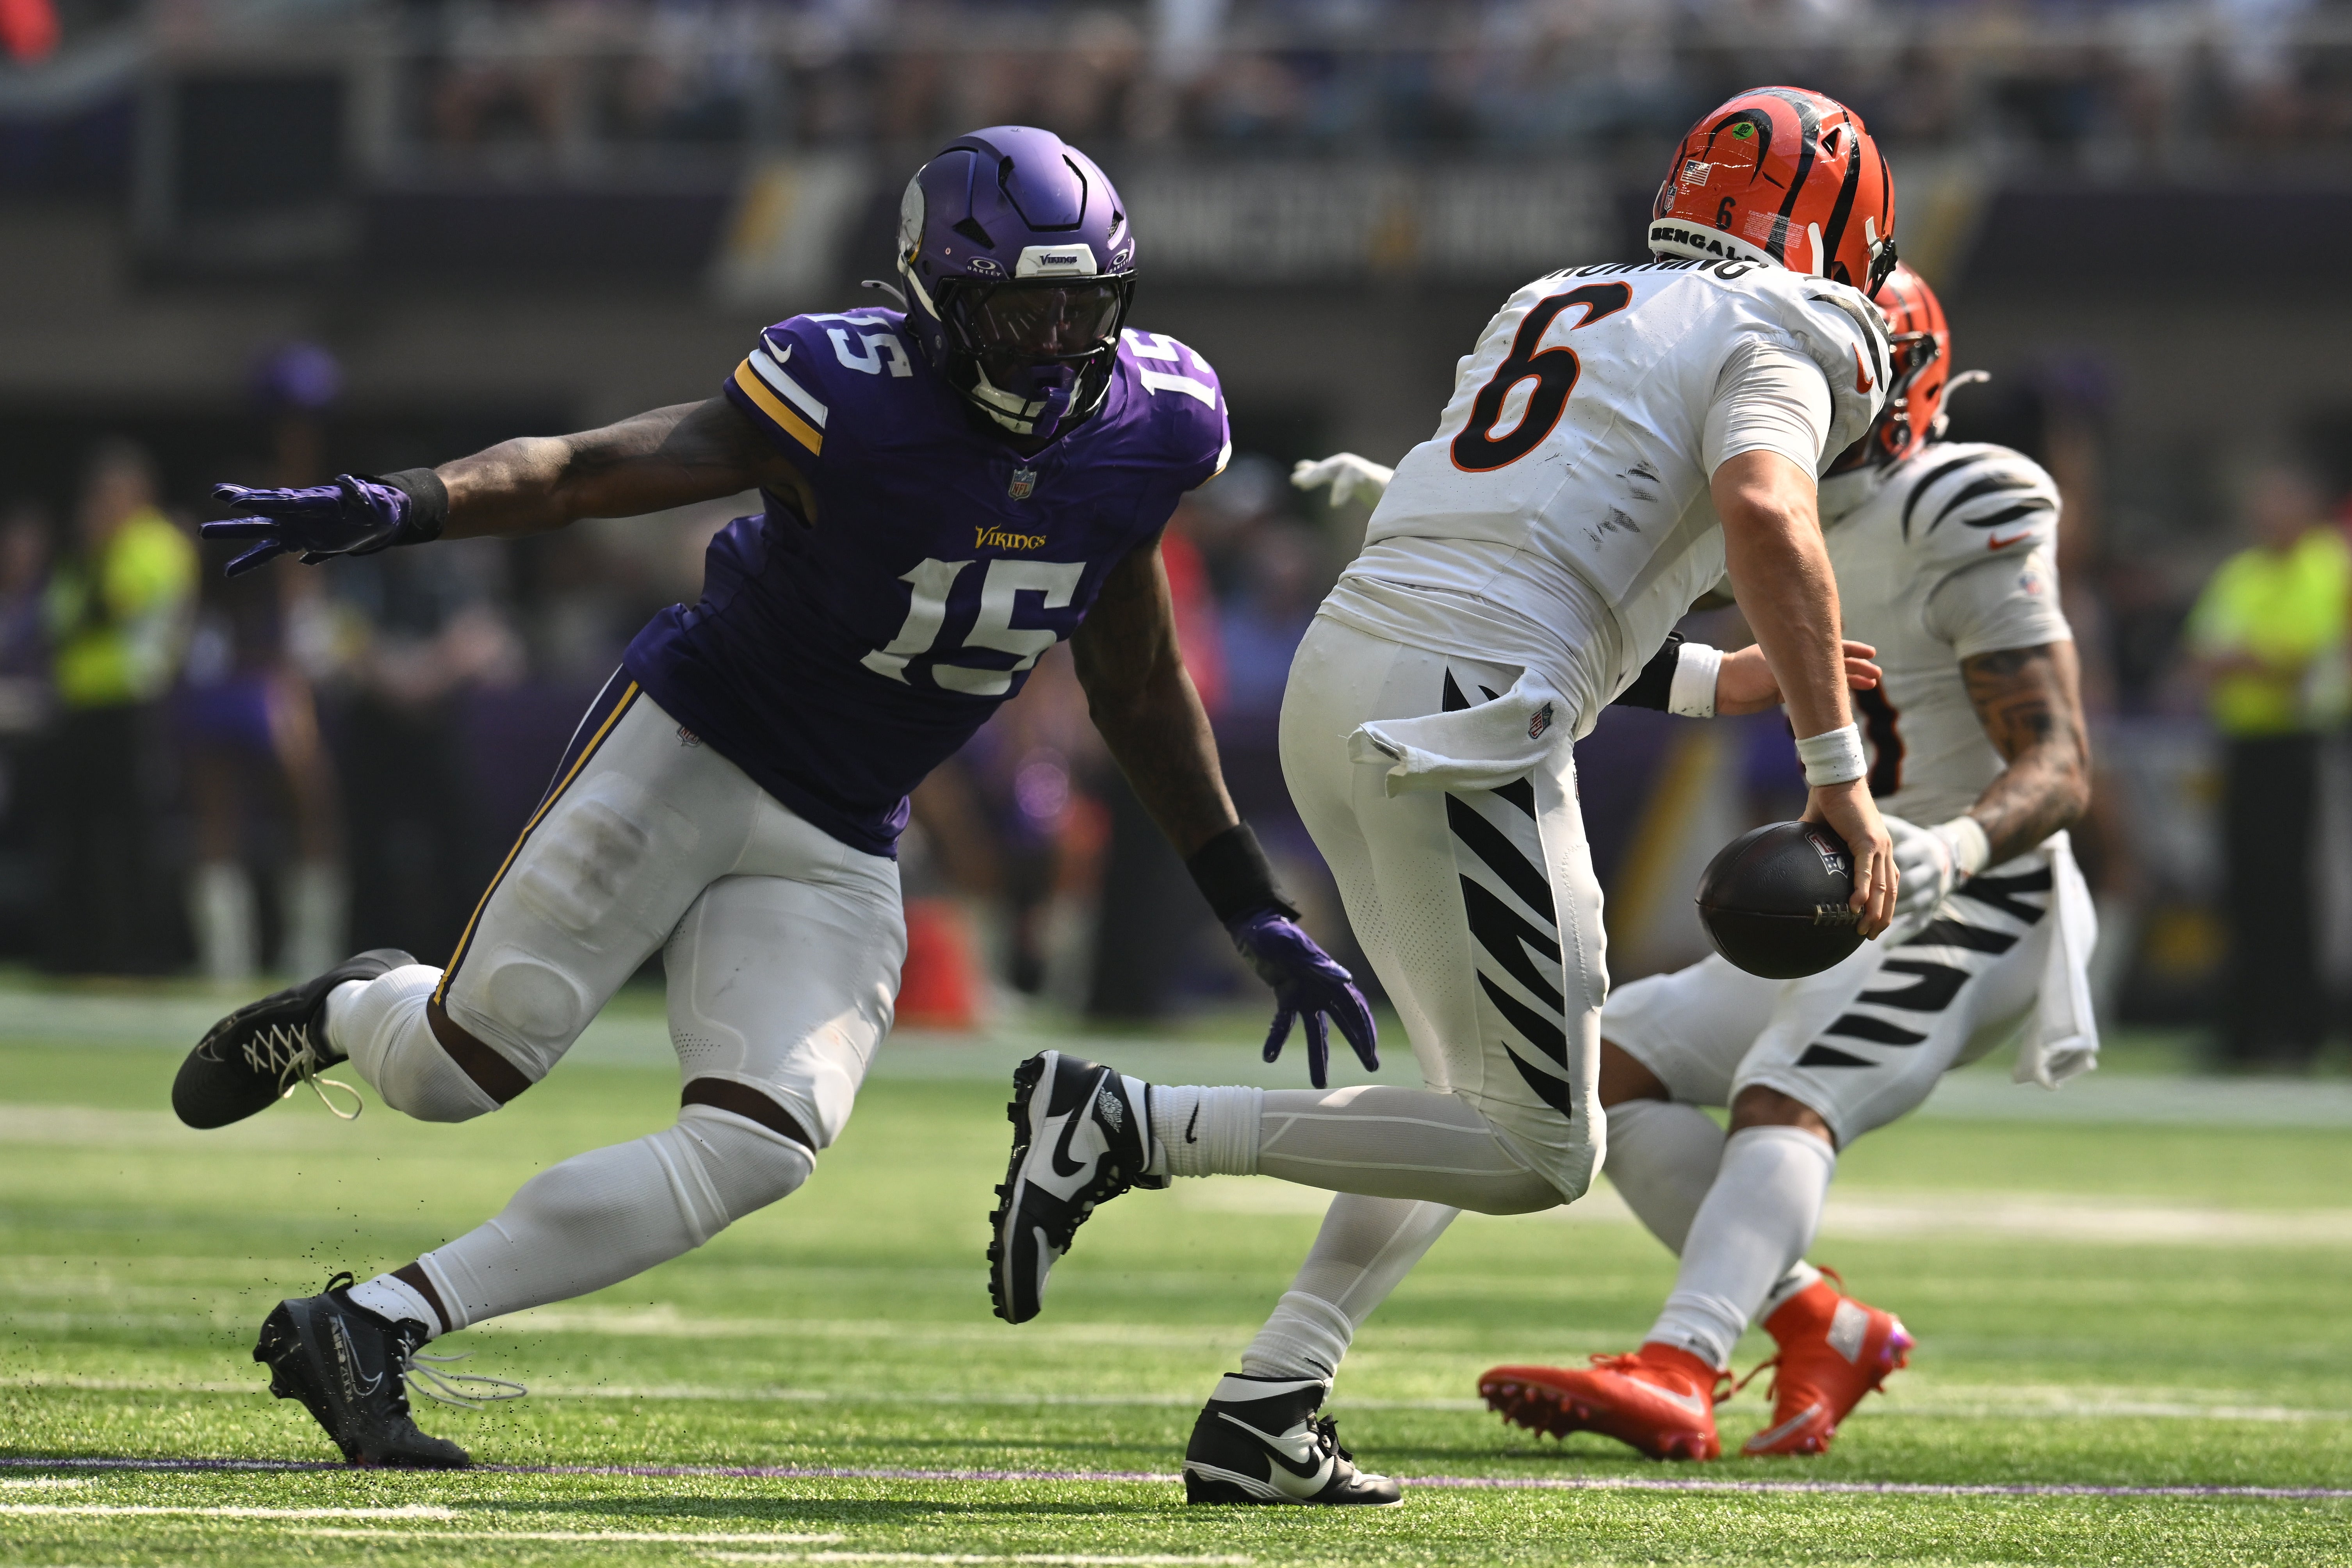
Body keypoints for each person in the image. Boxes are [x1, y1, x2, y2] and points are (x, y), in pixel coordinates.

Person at [166, 125, 1371, 1470]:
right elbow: (584, 471)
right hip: (692, 741)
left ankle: (376, 1322)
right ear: (934, 296)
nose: (1051, 339)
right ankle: (349, 1004)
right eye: (1021, 305)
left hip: (844, 819)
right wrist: (405, 504)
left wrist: (1247, 902)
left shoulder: (1156, 425)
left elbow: (1139, 684)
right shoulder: (839, 388)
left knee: (764, 1138)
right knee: (461, 1071)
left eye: (1081, 305)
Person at [985, 86, 1903, 1506]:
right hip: (1460, 713)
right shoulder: (1799, 326)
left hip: (1356, 669)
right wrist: (1834, 775)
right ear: (1837, 230)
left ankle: (1269, 1399)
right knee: (1541, 1146)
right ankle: (1128, 1121)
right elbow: (1766, 511)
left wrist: (1707, 678)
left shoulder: (1568, 292)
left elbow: (1514, 555)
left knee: (1461, 1098)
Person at [1479, 265, 2098, 1462]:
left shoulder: (1959, 501)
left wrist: (1957, 845)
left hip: (1979, 888)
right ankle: (1822, 1321)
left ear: (1894, 381)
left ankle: (1684, 1361)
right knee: (1605, 1072)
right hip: (1858, 885)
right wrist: (1448, 531)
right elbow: (1604, 583)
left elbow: (2064, 763)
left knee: (1785, 1087)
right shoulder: (1765, 501)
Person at [2183, 465, 2351, 1068]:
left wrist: (2248, 660)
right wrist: (2251, 661)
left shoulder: (2328, 567)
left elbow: (2299, 660)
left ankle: (2298, 1031)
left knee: (2296, 891)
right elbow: (2204, 653)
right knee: (2244, 887)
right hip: (2244, 744)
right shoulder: (2243, 572)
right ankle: (2245, 1032)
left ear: (2304, 510)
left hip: (2302, 746)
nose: (2267, 517)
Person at [39, 440, 198, 974]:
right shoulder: (87, 552)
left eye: (111, 495)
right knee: (75, 834)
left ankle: (141, 954)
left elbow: (110, 606)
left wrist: (98, 554)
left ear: (138, 495)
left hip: (135, 708)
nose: (100, 507)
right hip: (80, 708)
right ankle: (74, 952)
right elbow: (55, 617)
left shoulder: (155, 543)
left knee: (135, 834)